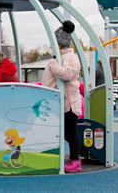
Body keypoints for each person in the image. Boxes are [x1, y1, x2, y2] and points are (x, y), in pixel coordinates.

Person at [42, 21, 82, 173]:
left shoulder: (70, 58)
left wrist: (53, 66)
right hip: (59, 101)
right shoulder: (59, 57)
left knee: (70, 132)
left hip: (69, 103)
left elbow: (67, 74)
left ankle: (75, 160)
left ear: (60, 44)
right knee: (63, 131)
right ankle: (64, 156)